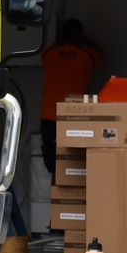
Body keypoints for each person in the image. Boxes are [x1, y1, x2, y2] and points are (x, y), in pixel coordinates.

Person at [40, 18, 105, 177]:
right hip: (76, 114)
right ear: (81, 35)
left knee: (52, 157)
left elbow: (44, 55)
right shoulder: (88, 55)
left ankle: (55, 183)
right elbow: (103, 59)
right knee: (74, 156)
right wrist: (86, 41)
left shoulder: (50, 53)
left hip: (49, 114)